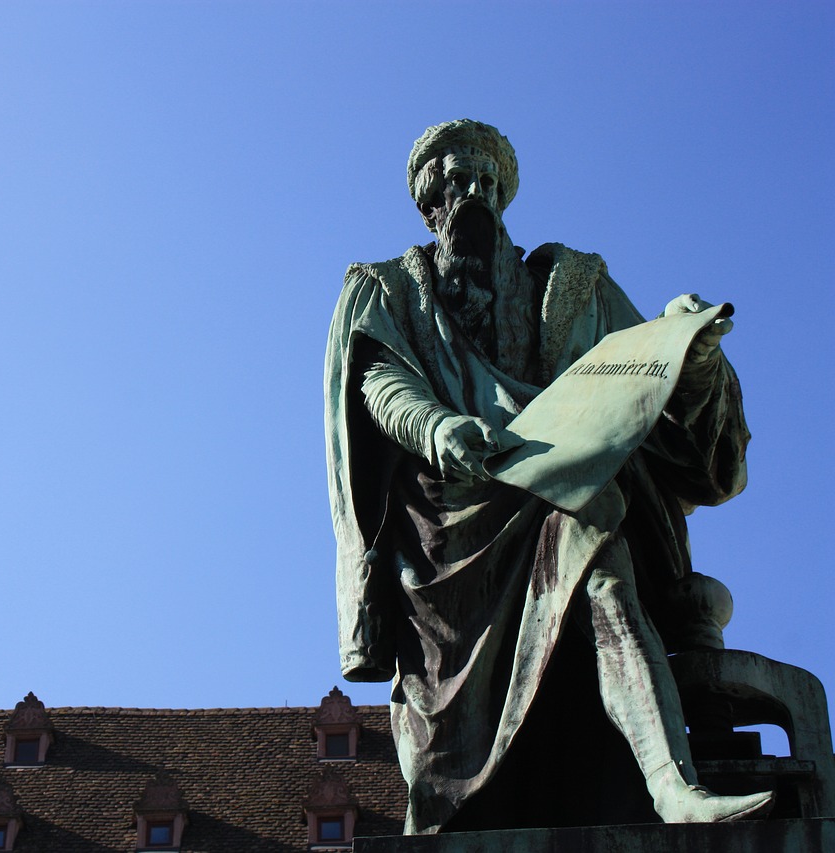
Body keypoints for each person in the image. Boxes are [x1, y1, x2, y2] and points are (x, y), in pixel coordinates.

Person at [324, 119, 773, 833]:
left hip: (565, 489)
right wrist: (439, 429)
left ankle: (667, 777)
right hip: (452, 516)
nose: (469, 192)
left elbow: (642, 382)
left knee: (592, 520)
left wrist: (689, 348)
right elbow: (382, 384)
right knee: (590, 516)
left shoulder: (573, 286)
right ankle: (651, 777)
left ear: (503, 194)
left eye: (482, 180)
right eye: (452, 182)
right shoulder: (387, 289)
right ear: (428, 204)